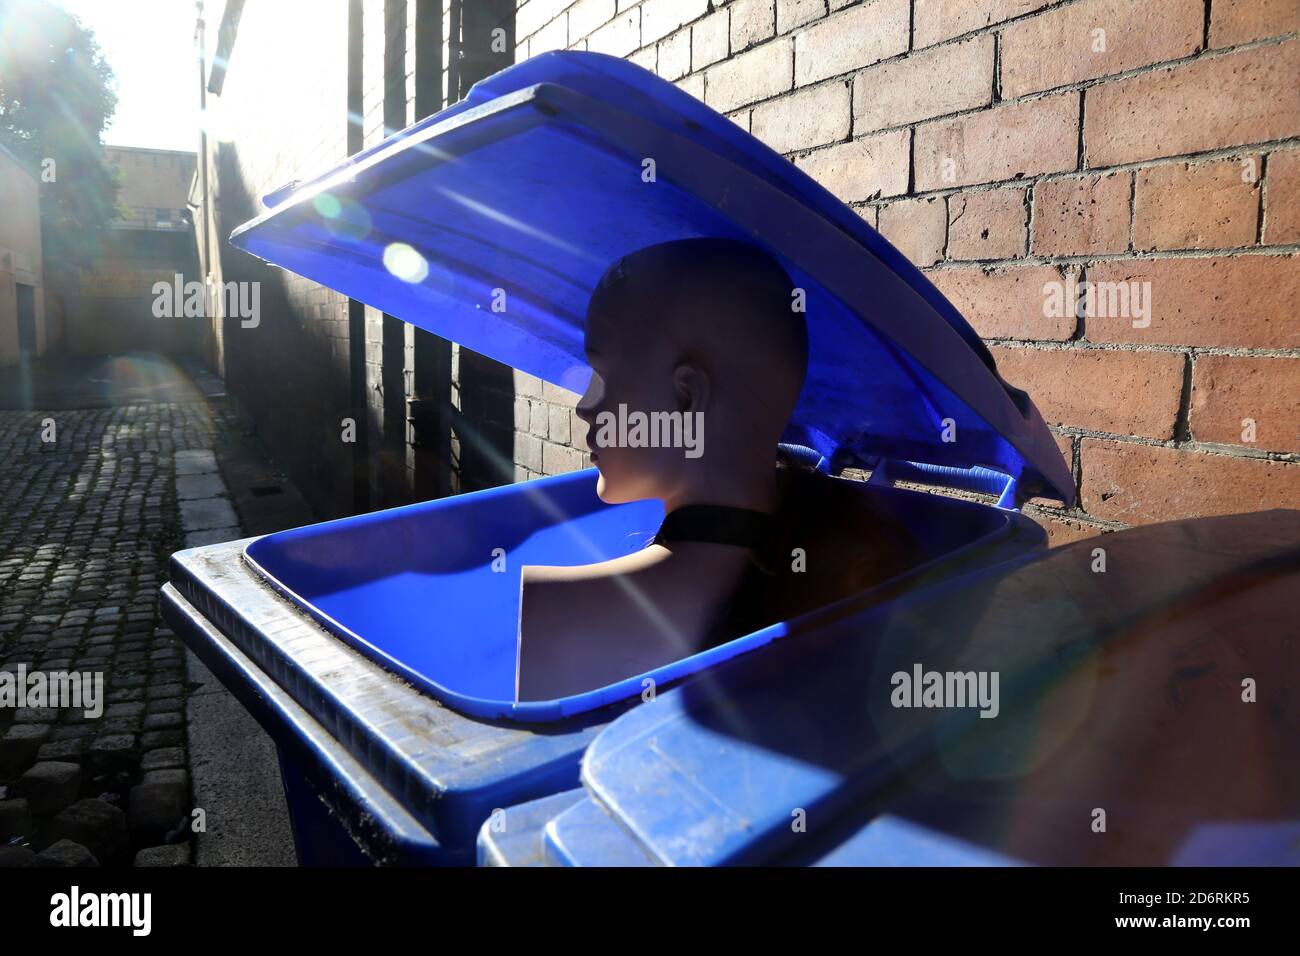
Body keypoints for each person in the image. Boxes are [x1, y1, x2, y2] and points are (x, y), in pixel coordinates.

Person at [514, 238, 921, 701]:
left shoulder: (560, 613)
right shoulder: (855, 573)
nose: (586, 407)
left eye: (601, 373)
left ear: (686, 399)